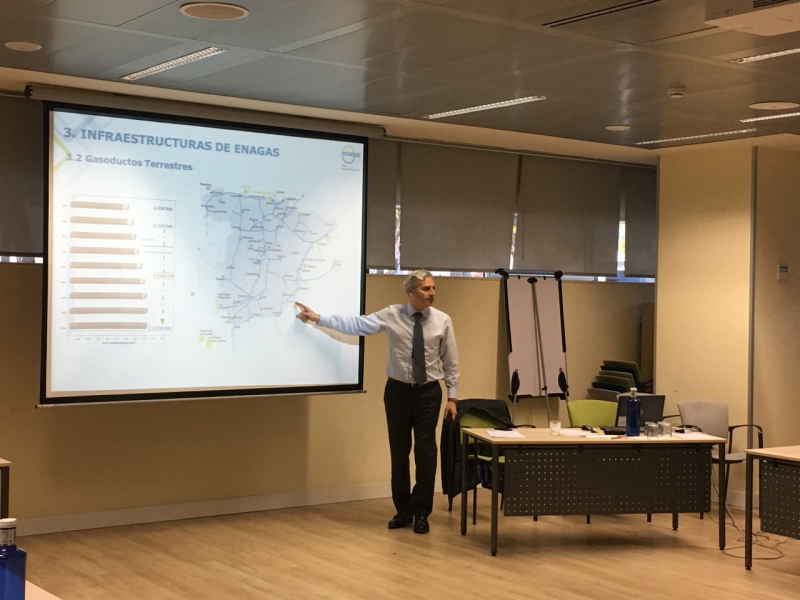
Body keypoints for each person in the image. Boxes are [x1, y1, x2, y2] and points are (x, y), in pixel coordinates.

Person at [295, 269, 459, 534]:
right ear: (411, 291)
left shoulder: (443, 320)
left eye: (433, 288)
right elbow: (357, 324)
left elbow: (450, 360)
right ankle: (403, 511)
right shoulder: (392, 314)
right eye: (426, 288)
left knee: (426, 454)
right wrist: (318, 318)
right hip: (398, 392)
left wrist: (452, 396)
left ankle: (421, 513)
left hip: (429, 393)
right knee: (399, 452)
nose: (432, 293)